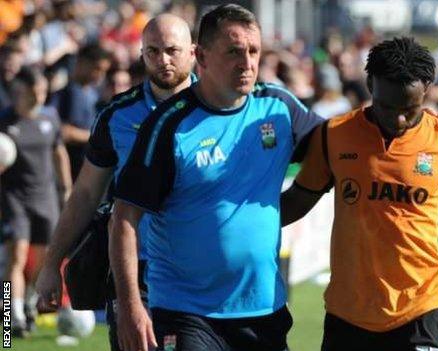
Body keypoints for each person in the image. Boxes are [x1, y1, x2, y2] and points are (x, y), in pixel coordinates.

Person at [109, 4, 323, 351]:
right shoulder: (168, 125)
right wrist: (131, 306)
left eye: (254, 51)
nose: (247, 62)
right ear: (202, 57)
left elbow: (340, 148)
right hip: (186, 312)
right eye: (234, 52)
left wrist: (291, 204)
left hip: (263, 309)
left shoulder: (278, 108)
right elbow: (124, 217)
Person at [280, 37, 438, 351]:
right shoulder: (334, 135)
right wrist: (237, 226)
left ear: (427, 90)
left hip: (424, 307)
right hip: (349, 313)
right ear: (369, 84)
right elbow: (298, 200)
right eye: (387, 106)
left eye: (409, 108)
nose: (398, 119)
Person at [35, 13, 197, 350]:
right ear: (141, 54)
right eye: (152, 51)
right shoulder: (117, 115)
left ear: (193, 52)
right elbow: (85, 195)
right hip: (135, 270)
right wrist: (52, 264)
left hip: (201, 266)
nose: (163, 60)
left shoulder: (221, 108)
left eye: (172, 50)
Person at [0, 67, 73, 337]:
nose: (40, 96)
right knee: (16, 256)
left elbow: (59, 152)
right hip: (14, 197)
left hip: (45, 196)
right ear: (21, 91)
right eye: (35, 91)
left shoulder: (50, 117)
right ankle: (10, 318)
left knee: (42, 262)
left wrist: (66, 188)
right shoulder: (5, 121)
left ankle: (29, 302)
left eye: (43, 91)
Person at [48, 43, 112, 180]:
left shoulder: (96, 94)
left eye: (104, 71)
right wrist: (100, 136)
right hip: (71, 170)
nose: (101, 75)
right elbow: (64, 132)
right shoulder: (65, 94)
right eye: (97, 68)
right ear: (82, 63)